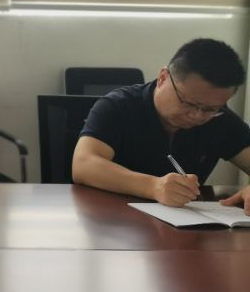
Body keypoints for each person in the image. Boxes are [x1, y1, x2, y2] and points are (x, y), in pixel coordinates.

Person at [72, 38, 250, 213]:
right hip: (111, 218)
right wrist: (153, 186)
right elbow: (83, 164)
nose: (197, 115)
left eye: (210, 109)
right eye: (188, 103)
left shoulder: (220, 119)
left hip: (183, 225)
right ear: (163, 78)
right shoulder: (118, 106)